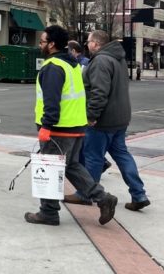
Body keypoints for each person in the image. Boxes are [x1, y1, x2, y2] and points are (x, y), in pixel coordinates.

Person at [24, 25, 118, 226]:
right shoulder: (72, 64)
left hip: (58, 130)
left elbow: (52, 102)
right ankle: (103, 198)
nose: (39, 44)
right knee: (72, 166)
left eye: (42, 41)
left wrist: (46, 127)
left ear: (51, 44)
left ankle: (48, 212)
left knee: (49, 169)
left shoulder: (52, 67)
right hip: (76, 126)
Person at [64, 30, 151, 211]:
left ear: (96, 43)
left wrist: (91, 116)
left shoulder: (101, 60)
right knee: (122, 155)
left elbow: (99, 92)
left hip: (103, 120)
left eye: (88, 42)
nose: (87, 45)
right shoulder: (118, 59)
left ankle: (86, 193)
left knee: (93, 157)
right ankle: (139, 194)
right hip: (120, 118)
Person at [70, 39, 112, 173]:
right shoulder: (87, 62)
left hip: (82, 108)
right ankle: (96, 165)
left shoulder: (84, 64)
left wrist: (91, 114)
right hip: (82, 107)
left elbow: (95, 89)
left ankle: (89, 177)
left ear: (73, 51)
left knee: (84, 143)